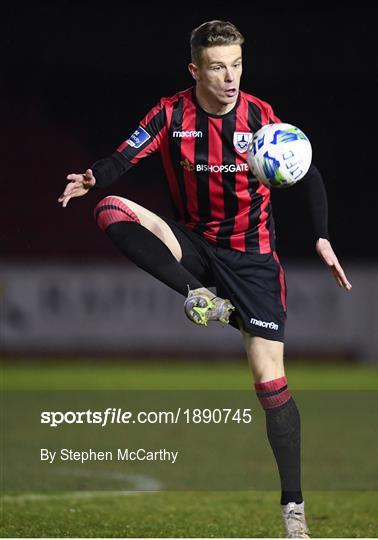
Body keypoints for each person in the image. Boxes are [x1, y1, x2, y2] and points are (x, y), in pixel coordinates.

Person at [58, 20, 352, 538]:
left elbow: (309, 171)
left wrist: (323, 236)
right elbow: (124, 156)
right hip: (194, 247)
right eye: (218, 66)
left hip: (254, 259)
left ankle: (293, 511)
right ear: (195, 70)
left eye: (237, 64)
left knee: (270, 383)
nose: (230, 76)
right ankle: (199, 297)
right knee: (110, 209)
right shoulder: (171, 114)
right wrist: (93, 177)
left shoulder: (260, 116)